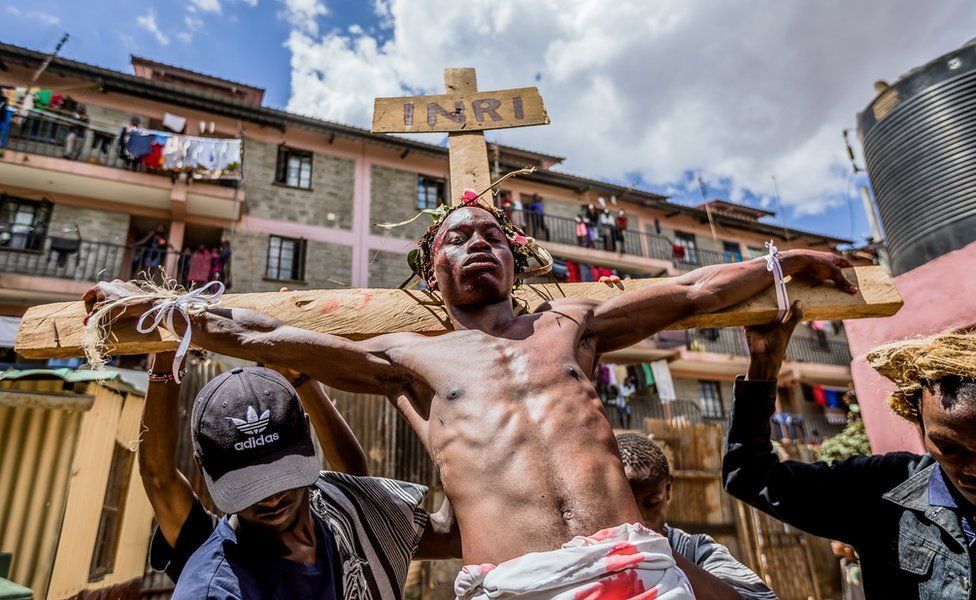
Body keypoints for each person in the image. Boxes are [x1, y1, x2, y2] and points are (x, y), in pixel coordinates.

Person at [86, 196, 855, 599]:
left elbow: (687, 291)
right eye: (457, 237)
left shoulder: (572, 323)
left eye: (489, 232)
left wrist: (778, 264)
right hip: (512, 588)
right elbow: (261, 336)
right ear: (432, 275)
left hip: (636, 573)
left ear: (513, 259)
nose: (476, 242)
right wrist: (162, 312)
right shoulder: (410, 354)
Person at [144, 359, 459, 599]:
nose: (270, 499)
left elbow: (358, 490)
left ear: (307, 439)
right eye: (250, 486)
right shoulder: (217, 590)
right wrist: (165, 360)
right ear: (205, 469)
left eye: (280, 478)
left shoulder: (341, 512)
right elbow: (159, 477)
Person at [723, 303, 976, 599]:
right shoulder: (882, 490)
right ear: (919, 424)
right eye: (948, 448)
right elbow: (751, 476)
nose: (972, 468)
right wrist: (763, 368)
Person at [617, 432, 777, 600]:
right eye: (628, 505)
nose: (641, 518)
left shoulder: (695, 551)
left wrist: (661, 552)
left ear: (668, 490)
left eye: (651, 503)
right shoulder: (592, 552)